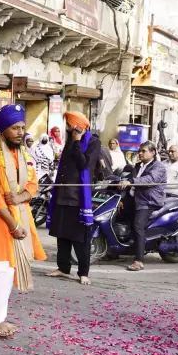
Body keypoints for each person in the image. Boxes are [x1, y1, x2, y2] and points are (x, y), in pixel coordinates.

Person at [0, 105, 47, 337]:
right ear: (3, 130)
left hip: (19, 215)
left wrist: (21, 196)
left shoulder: (23, 154)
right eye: (15, 128)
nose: (20, 132)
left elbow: (33, 185)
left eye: (22, 128)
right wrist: (13, 225)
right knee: (3, 270)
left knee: (7, 269)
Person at [46, 111, 101, 286]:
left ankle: (83, 272)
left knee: (79, 237)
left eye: (72, 126)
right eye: (69, 127)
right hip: (63, 193)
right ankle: (63, 268)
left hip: (78, 197)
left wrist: (77, 142)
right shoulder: (70, 139)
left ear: (80, 127)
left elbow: (83, 163)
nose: (69, 129)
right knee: (62, 234)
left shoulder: (93, 142)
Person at [118, 141, 167, 272]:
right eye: (139, 151)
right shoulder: (138, 166)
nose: (140, 153)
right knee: (118, 215)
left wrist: (131, 181)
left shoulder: (158, 167)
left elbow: (149, 180)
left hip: (148, 201)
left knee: (138, 225)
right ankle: (116, 250)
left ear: (153, 152)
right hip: (135, 199)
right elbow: (127, 179)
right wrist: (122, 196)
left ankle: (139, 260)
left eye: (143, 151)